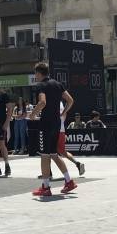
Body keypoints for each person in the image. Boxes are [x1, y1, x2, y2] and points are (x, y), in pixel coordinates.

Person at [29, 62, 77, 197]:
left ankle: (45, 187)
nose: (35, 76)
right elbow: (70, 100)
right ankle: (69, 181)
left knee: (44, 156)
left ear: (39, 73)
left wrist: (33, 114)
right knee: (54, 154)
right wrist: (63, 113)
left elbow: (42, 102)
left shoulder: (41, 85)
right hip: (56, 123)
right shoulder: (57, 84)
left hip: (46, 124)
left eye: (35, 74)